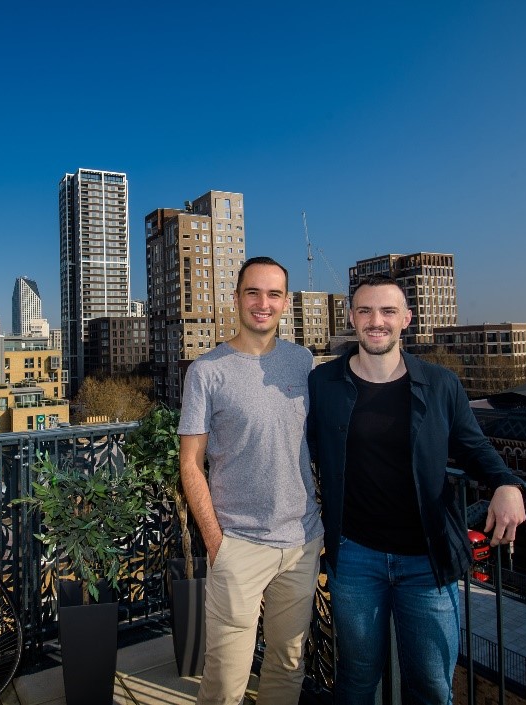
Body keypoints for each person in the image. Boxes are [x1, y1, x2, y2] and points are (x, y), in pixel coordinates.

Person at [307, 274, 526, 705]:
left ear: (406, 319)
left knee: (430, 685)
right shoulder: (324, 384)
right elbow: (298, 447)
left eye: (388, 311)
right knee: (355, 679)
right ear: (351, 318)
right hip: (355, 556)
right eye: (366, 311)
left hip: (427, 559)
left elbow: (473, 446)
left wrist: (506, 482)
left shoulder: (440, 383)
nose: (377, 321)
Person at [179, 256, 324, 705]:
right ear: (237, 299)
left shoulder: (303, 362)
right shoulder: (207, 371)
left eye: (274, 294)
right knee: (225, 679)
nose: (264, 303)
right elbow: (190, 463)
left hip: (301, 542)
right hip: (238, 544)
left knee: (287, 665)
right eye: (253, 293)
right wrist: (215, 540)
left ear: (285, 302)